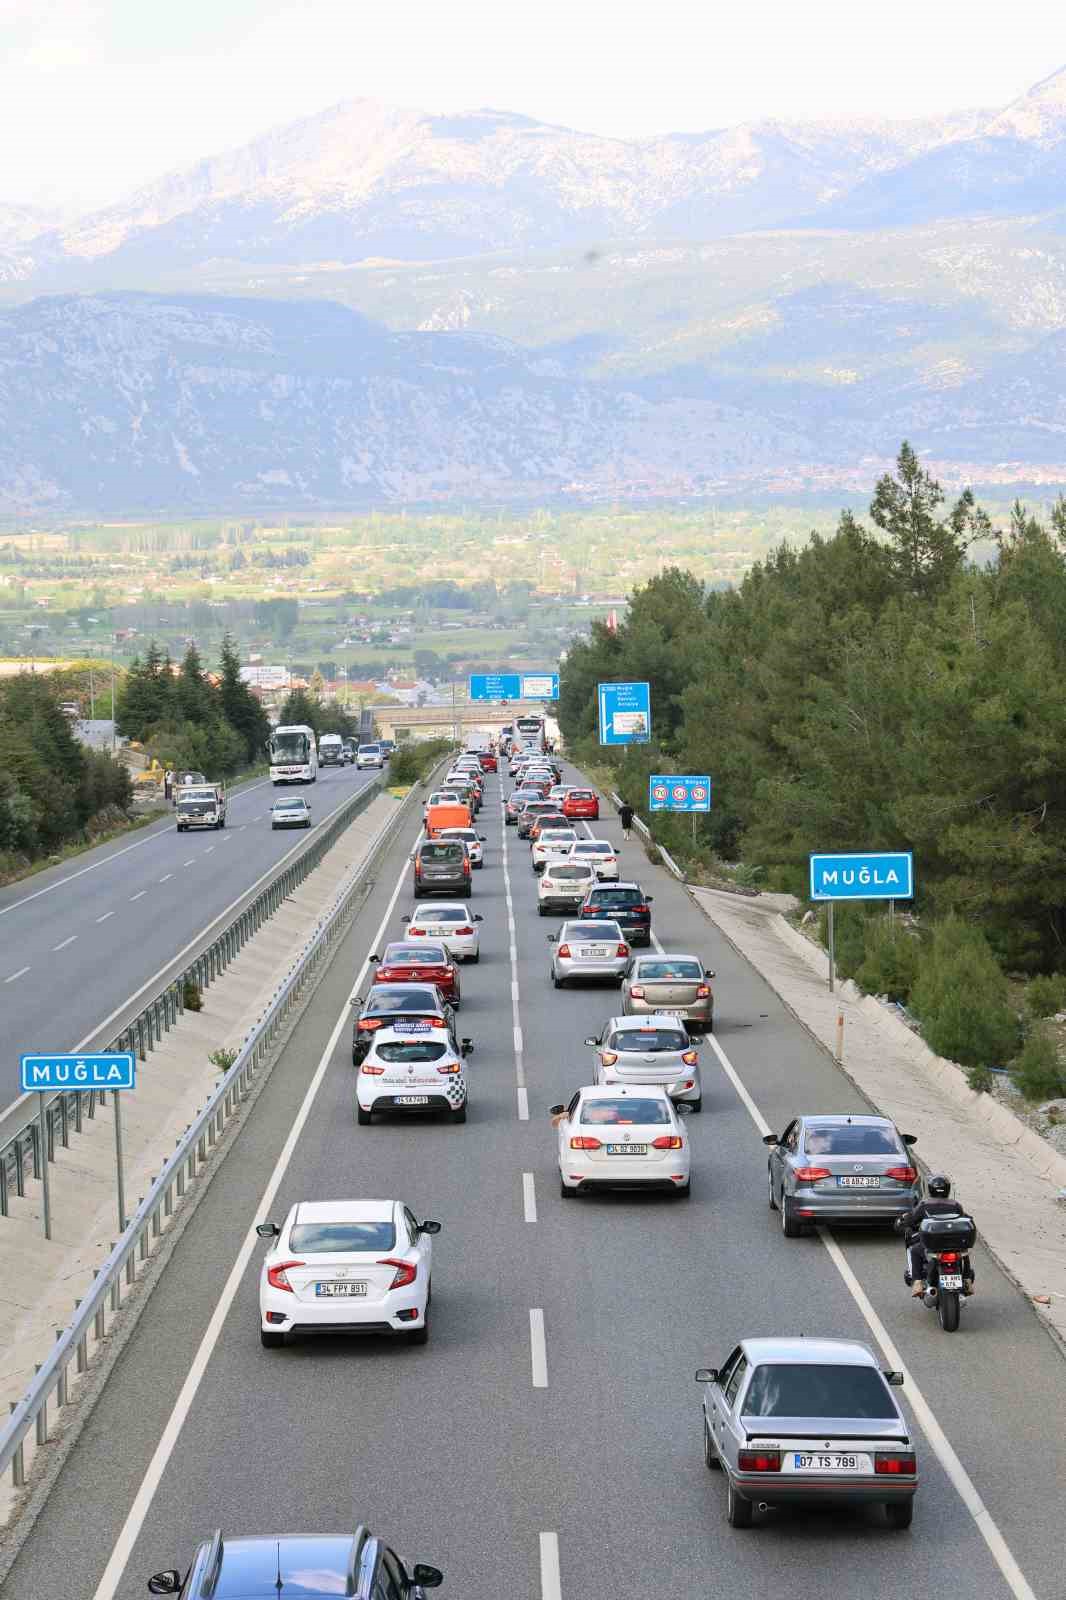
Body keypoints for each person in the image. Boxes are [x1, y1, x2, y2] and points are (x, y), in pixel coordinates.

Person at [895, 1174, 975, 1297]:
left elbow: (911, 1220)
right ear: (948, 1189)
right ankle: (967, 1280)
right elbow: (966, 1218)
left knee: (915, 1251)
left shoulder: (924, 1205)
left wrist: (902, 1221)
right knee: (964, 1251)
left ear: (930, 1189)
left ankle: (917, 1283)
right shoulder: (955, 1205)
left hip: (933, 1246)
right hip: (954, 1245)